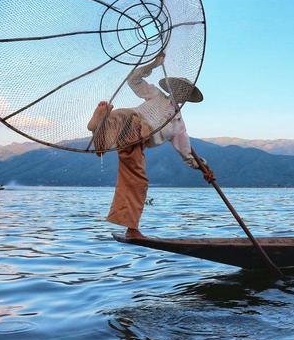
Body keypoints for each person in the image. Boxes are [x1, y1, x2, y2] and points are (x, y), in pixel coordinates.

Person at [88, 53, 206, 239]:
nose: (180, 92)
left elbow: (187, 153)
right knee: (138, 180)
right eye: (178, 88)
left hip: (133, 140)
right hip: (131, 122)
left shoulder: (178, 124)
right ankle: (131, 230)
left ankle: (100, 126)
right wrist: (153, 64)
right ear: (173, 89)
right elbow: (133, 79)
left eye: (185, 91)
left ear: (187, 97)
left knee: (114, 159)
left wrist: (202, 167)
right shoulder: (157, 95)